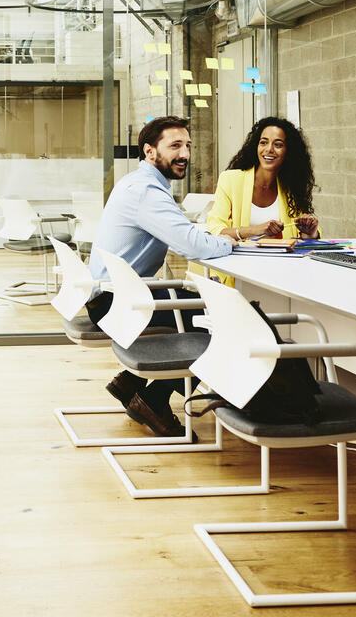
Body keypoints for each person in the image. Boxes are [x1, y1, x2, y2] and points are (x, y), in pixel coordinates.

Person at [86, 116, 233, 438]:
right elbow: (192, 246)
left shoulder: (140, 184)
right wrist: (231, 241)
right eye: (175, 146)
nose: (185, 154)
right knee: (222, 319)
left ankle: (132, 383)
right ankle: (153, 399)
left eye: (188, 146)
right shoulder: (146, 192)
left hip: (112, 295)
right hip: (116, 303)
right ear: (150, 152)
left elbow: (183, 233)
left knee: (206, 310)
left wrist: (222, 235)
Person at [206, 116, 320, 241]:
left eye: (278, 145)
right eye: (263, 142)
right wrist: (255, 230)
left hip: (280, 260)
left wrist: (309, 233)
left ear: (289, 151)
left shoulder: (291, 188)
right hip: (240, 260)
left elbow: (304, 242)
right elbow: (214, 229)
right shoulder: (230, 180)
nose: (269, 149)